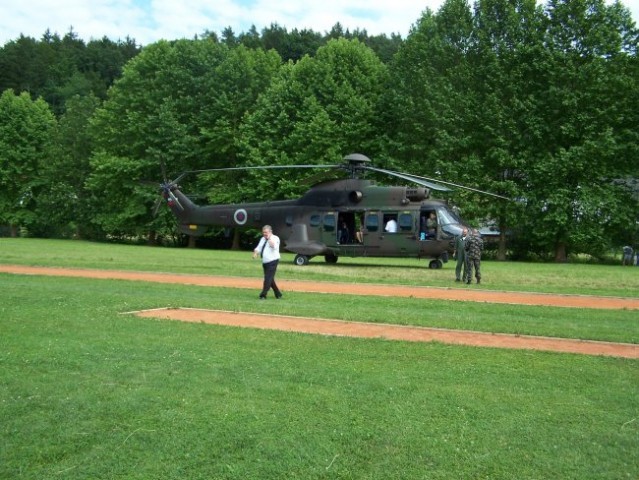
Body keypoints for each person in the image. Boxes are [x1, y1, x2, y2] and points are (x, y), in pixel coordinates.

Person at [252, 225, 282, 299]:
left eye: (266, 232)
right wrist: (255, 253)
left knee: (267, 278)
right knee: (270, 278)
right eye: (263, 232)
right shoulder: (262, 239)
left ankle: (263, 294)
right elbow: (258, 248)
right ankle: (278, 294)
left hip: (273, 261)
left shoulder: (275, 238)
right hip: (265, 262)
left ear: (270, 232)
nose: (264, 234)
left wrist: (269, 238)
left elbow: (274, 246)